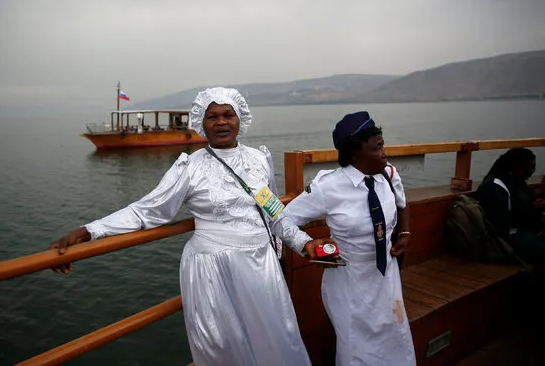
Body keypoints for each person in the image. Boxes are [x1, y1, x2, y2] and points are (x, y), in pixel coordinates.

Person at [49, 87, 332, 366]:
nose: (221, 122)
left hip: (261, 266)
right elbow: (148, 211)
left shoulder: (258, 160)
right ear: (202, 123)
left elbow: (273, 213)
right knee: (224, 347)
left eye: (227, 114)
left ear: (239, 119)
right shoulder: (189, 167)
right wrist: (89, 231)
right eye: (213, 116)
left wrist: (303, 243)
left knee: (275, 338)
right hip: (212, 270)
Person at [274, 111, 416, 366]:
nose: (385, 153)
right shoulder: (327, 187)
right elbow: (282, 220)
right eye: (377, 147)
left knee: (395, 335)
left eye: (383, 145)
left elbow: (402, 204)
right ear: (354, 154)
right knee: (356, 347)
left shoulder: (389, 175)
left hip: (386, 275)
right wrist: (306, 245)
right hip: (349, 280)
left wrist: (404, 234)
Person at [476, 148, 545, 267]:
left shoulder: (516, 181)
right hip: (506, 239)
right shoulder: (494, 187)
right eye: (530, 169)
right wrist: (534, 209)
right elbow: (502, 226)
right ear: (516, 168)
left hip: (522, 229)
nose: (531, 173)